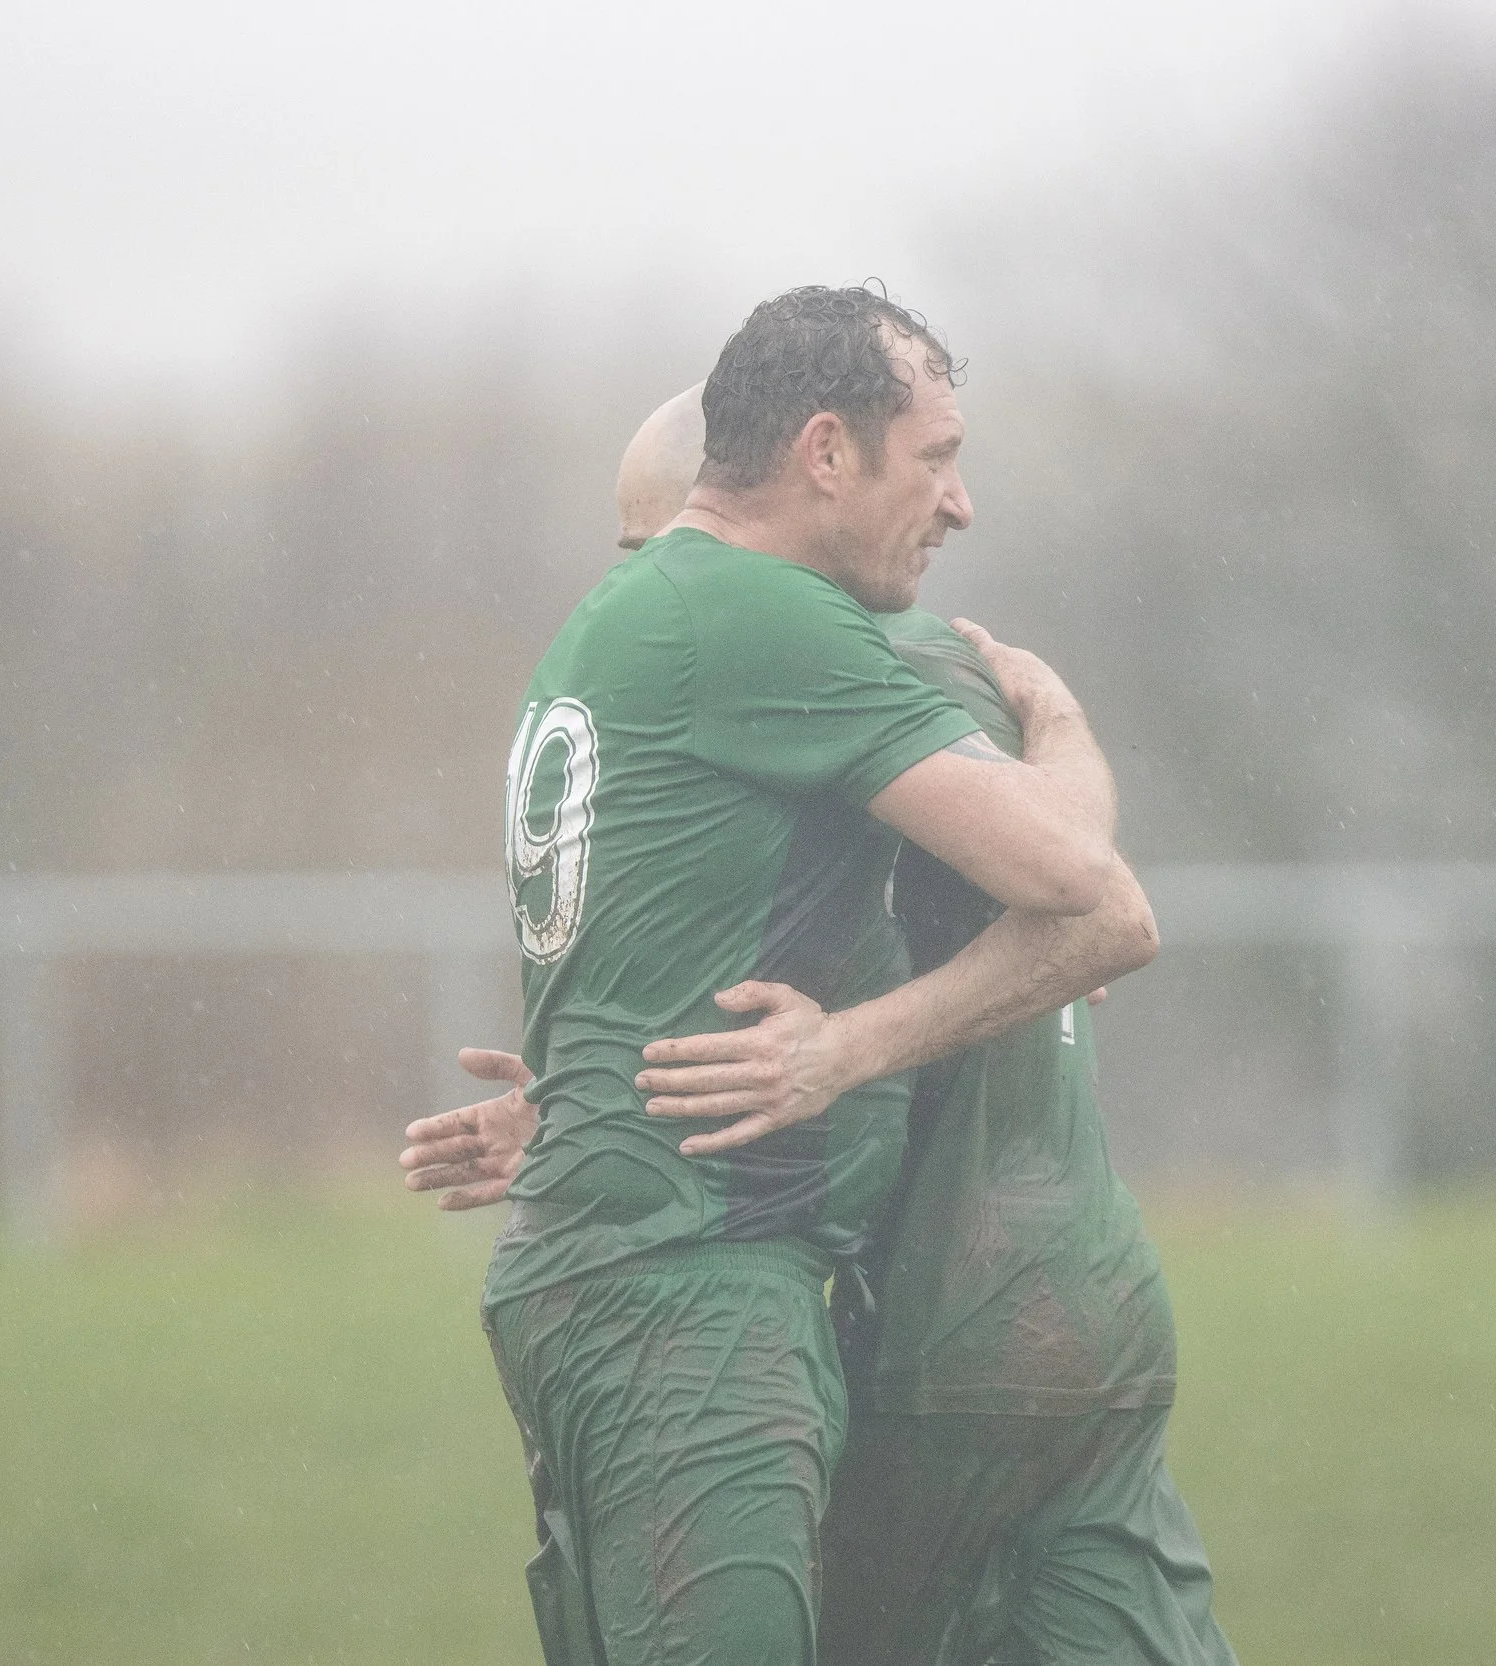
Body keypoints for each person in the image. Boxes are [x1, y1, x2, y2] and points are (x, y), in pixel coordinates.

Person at [404, 378, 1235, 1664]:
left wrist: (826, 1053)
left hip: (917, 1311)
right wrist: (592, 1101)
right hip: (1097, 1300)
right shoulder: (935, 685)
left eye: (663, 544)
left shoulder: (805, 683)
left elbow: (1090, 907)